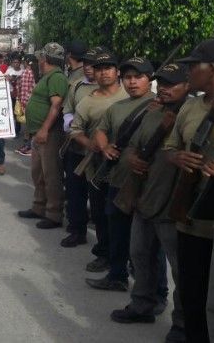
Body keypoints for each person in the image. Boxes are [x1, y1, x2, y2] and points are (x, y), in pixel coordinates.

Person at [108, 63, 189, 342]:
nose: (165, 88)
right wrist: (131, 158)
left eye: (172, 83)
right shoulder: (153, 111)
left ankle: (182, 323)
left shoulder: (192, 114)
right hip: (145, 197)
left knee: (180, 270)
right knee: (139, 255)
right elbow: (132, 144)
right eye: (162, 83)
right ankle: (142, 304)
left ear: (188, 85)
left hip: (174, 204)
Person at [164, 40, 214, 343]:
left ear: (212, 69)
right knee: (191, 287)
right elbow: (171, 147)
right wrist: (177, 156)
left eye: (193, 65)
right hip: (190, 212)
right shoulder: (190, 105)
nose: (188, 71)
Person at [86, 57, 156, 292]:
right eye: (128, 77)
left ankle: (153, 292)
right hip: (117, 180)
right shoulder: (117, 107)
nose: (133, 82)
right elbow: (101, 131)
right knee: (117, 230)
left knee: (148, 243)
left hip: (147, 185)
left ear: (150, 79)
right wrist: (105, 147)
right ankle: (117, 275)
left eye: (139, 77)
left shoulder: (159, 107)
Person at [65, 51, 128, 263]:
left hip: (127, 167)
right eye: (99, 69)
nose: (103, 73)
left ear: (117, 71)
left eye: (108, 68)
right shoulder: (87, 101)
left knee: (124, 215)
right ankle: (104, 253)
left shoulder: (130, 96)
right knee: (101, 213)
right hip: (97, 167)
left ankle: (127, 260)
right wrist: (89, 143)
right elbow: (75, 130)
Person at [18, 43, 68, 229]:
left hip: (49, 134)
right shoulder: (48, 77)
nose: (38, 61)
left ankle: (54, 214)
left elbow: (56, 105)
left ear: (45, 59)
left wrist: (45, 129)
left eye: (40, 58)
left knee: (51, 174)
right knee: (38, 173)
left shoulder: (56, 78)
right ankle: (39, 207)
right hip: (39, 133)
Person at [59, 47, 100, 246]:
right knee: (75, 192)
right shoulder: (76, 86)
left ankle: (105, 246)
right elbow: (67, 110)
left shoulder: (115, 89)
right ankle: (77, 230)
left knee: (98, 198)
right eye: (87, 64)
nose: (89, 69)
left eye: (94, 65)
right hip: (77, 146)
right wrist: (72, 126)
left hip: (100, 151)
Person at [15, 55, 37, 156]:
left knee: (29, 127)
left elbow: (24, 89)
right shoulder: (36, 72)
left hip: (27, 101)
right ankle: (28, 146)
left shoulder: (27, 72)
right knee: (30, 126)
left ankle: (29, 147)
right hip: (33, 101)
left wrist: (22, 102)